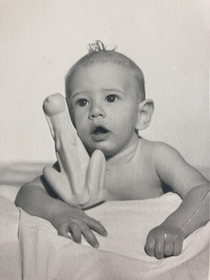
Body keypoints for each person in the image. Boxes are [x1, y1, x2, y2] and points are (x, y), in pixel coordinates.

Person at [15, 41, 210, 259]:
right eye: (82, 102)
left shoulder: (155, 157)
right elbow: (26, 193)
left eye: (111, 98)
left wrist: (175, 227)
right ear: (70, 117)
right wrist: (57, 212)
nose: (95, 111)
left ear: (142, 115)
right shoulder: (76, 165)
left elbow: (203, 191)